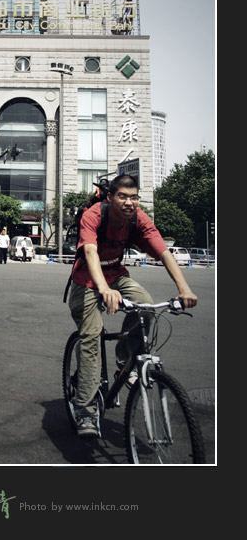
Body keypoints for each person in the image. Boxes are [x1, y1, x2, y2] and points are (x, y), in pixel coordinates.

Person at [68, 174, 198, 437]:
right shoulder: (94, 215)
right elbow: (90, 251)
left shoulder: (138, 219)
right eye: (123, 197)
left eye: (134, 197)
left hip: (117, 275)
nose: (129, 202)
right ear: (110, 197)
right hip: (86, 282)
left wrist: (184, 288)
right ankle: (86, 410)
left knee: (146, 305)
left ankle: (125, 363)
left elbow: (163, 252)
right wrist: (103, 288)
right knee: (91, 337)